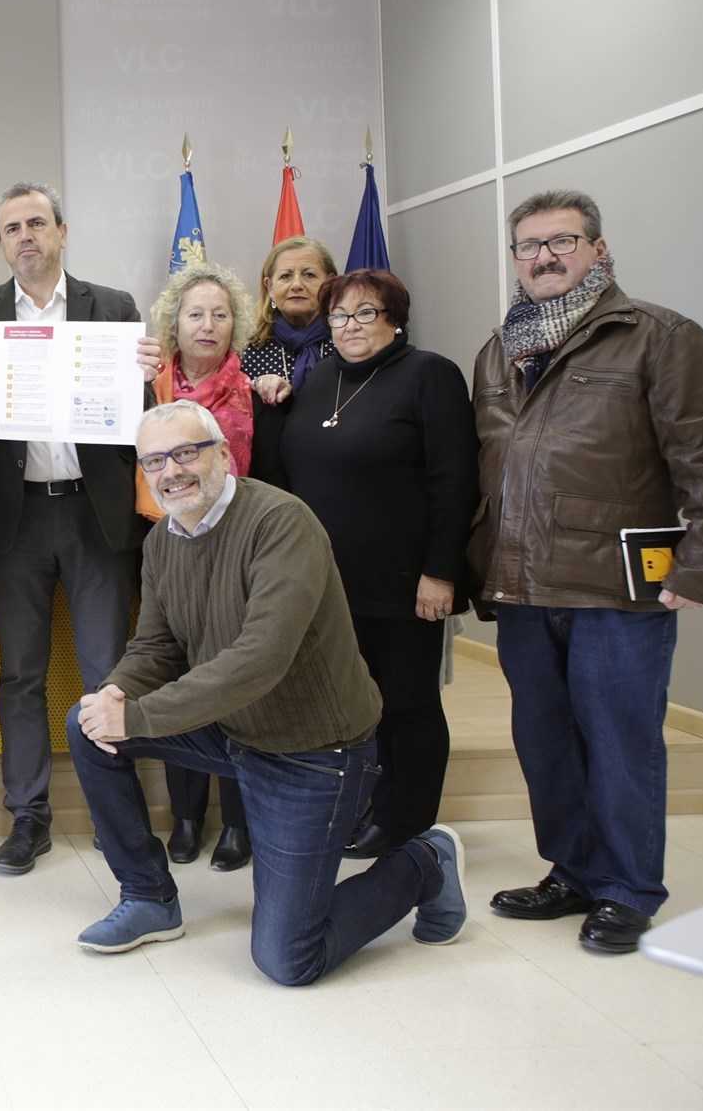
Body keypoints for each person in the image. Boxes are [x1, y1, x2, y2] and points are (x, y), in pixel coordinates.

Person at [66, 401, 467, 984]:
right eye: (155, 460)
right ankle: (150, 897)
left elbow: (261, 660)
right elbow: (155, 647)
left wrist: (141, 716)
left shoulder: (281, 522)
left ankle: (425, 862)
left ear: (223, 454)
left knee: (288, 960)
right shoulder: (163, 542)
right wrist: (115, 697)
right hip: (234, 732)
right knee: (89, 727)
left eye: (186, 452)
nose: (171, 470)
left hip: (313, 751)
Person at [469, 190, 703, 954]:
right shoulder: (497, 351)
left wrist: (702, 567)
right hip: (524, 588)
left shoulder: (657, 337)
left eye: (562, 240)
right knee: (546, 740)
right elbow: (488, 471)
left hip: (617, 590)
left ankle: (628, 887)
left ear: (599, 249)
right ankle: (575, 869)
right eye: (528, 245)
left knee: (621, 739)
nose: (544, 256)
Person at [0, 181, 145, 876]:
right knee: (21, 675)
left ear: (62, 230)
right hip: (16, 516)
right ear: (0, 243)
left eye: (37, 223)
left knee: (109, 673)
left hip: (96, 515)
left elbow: (139, 414)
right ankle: (27, 817)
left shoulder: (113, 307)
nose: (25, 236)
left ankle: (116, 818)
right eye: (12, 229)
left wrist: (146, 377)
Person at [273, 269, 477, 857]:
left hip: (405, 582)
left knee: (406, 703)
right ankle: (360, 808)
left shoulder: (429, 376)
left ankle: (407, 823)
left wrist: (441, 572)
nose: (350, 326)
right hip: (330, 584)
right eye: (339, 315)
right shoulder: (319, 379)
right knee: (348, 705)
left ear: (395, 319)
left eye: (366, 313)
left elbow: (454, 480)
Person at [133, 261, 261, 871]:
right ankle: (186, 817)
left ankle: (238, 821)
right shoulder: (147, 386)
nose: (208, 325)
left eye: (220, 314)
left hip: (240, 550)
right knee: (177, 677)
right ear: (173, 324)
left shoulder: (261, 390)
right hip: (167, 544)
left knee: (236, 680)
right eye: (195, 314)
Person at [239, 235, 339, 405]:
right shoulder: (246, 350)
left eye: (309, 275)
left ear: (329, 283)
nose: (296, 285)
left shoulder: (347, 340)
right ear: (270, 287)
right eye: (286, 276)